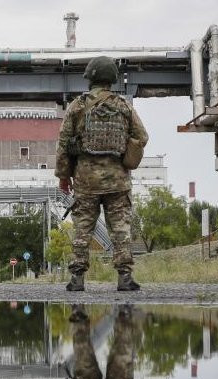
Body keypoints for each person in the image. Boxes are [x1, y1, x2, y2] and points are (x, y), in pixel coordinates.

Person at [56, 56, 149, 292]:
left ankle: (77, 279)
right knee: (120, 230)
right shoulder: (123, 105)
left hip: (86, 180)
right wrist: (126, 156)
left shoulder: (78, 105)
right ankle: (125, 278)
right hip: (118, 181)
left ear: (90, 78)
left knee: (83, 229)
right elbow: (142, 136)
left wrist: (63, 176)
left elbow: (64, 143)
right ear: (112, 79)